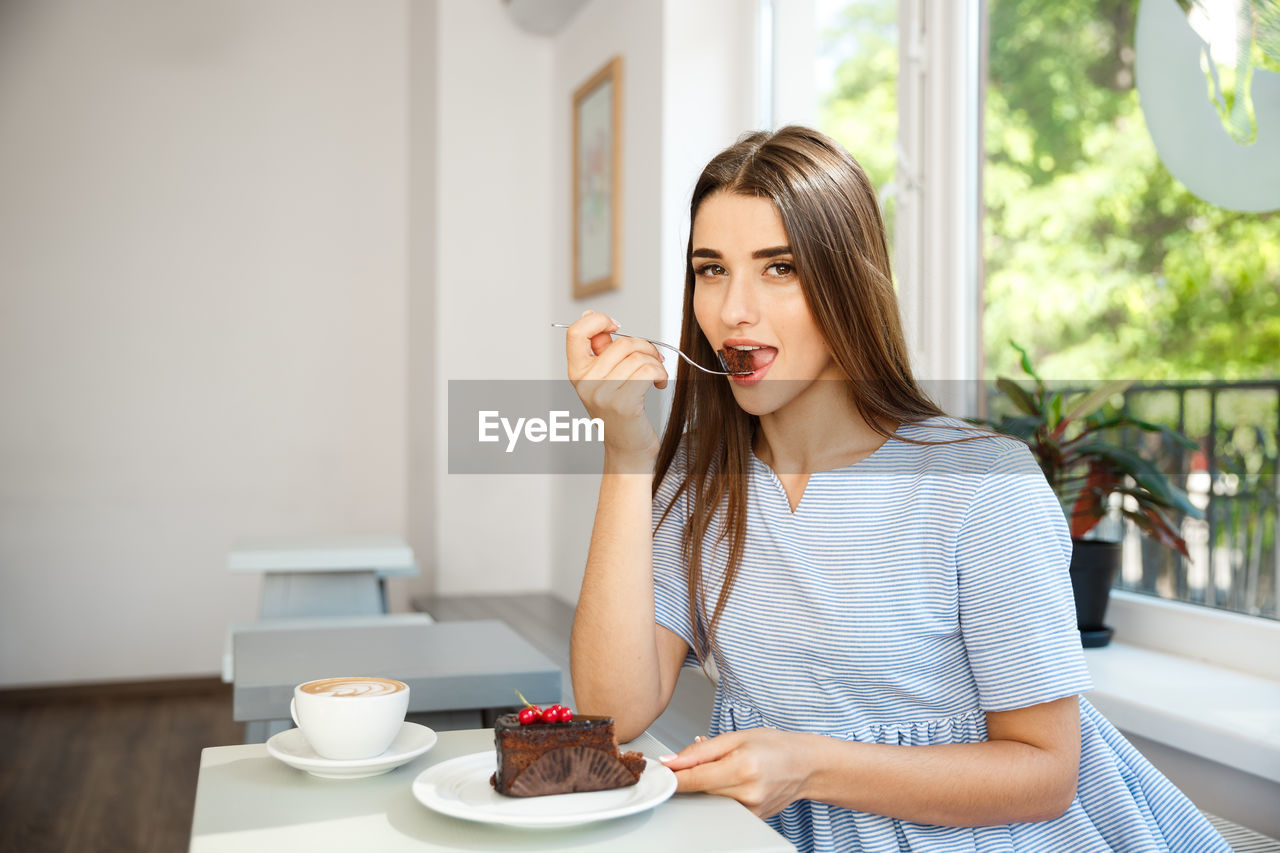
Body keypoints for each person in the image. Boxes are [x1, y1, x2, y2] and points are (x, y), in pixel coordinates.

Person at [562, 126, 1229, 853]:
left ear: (848, 279)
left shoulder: (981, 482)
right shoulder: (700, 484)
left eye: (779, 267)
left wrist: (807, 764)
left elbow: (1047, 771)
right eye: (711, 269)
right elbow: (612, 708)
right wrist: (626, 448)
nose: (733, 310)